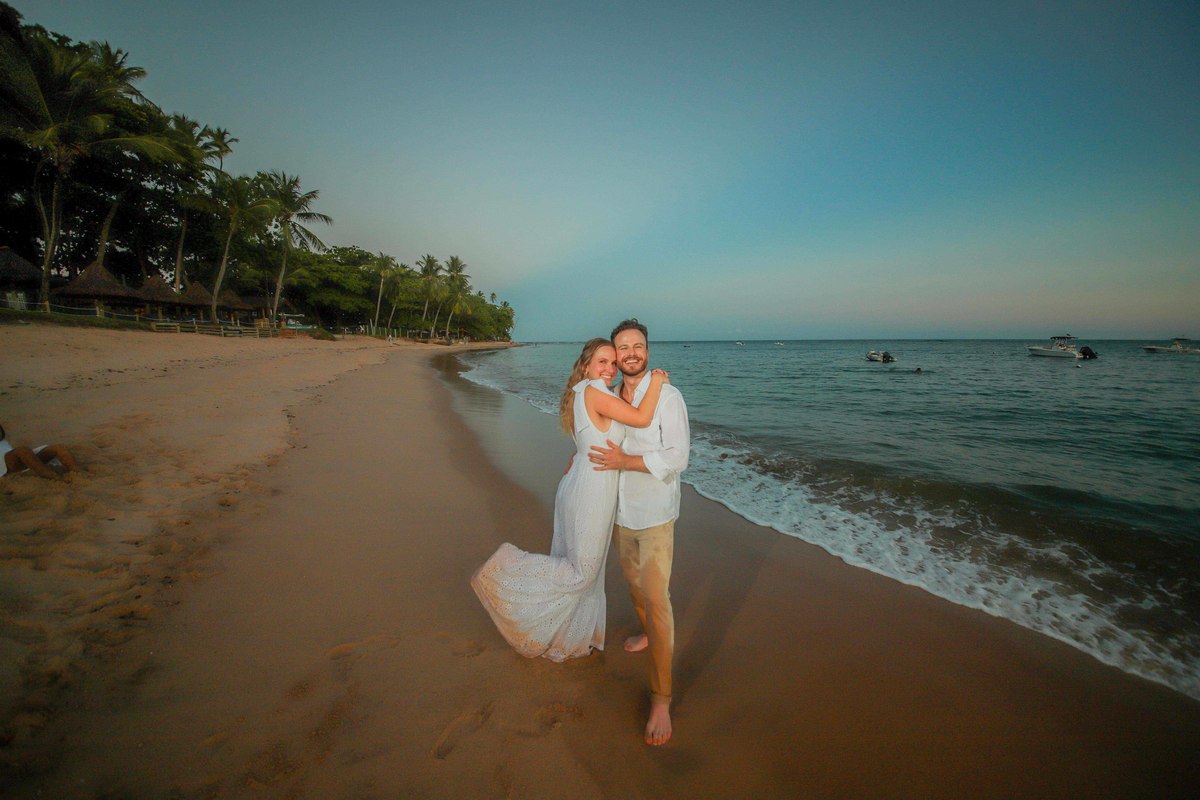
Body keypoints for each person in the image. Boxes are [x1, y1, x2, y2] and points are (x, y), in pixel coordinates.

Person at [471, 339, 667, 663]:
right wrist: (657, 381)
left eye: (613, 363)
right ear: (586, 366)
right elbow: (642, 417)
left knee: (580, 565)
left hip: (580, 482)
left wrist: (579, 457)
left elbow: (588, 440)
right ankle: (503, 569)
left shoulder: (582, 392)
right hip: (592, 490)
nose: (609, 368)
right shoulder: (595, 391)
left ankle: (573, 637)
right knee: (582, 572)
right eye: (602, 362)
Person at [588, 319, 690, 747]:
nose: (631, 353)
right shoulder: (610, 395)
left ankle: (661, 698)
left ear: (647, 351)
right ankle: (647, 632)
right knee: (634, 587)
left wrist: (625, 462)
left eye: (638, 346)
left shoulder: (667, 396)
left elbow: (678, 456)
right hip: (619, 512)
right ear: (614, 354)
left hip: (655, 516)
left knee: (657, 600)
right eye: (623, 347)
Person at [0, 423, 79, 480]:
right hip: (6, 466)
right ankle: (49, 475)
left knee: (58, 448)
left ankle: (77, 472)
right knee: (22, 450)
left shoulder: (3, 442)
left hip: (23, 461)